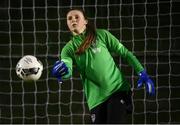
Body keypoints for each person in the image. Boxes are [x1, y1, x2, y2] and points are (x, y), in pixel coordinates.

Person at [52, 8, 155, 124]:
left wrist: (141, 72)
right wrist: (62, 73)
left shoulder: (101, 35)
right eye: (69, 18)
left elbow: (125, 53)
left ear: (85, 21)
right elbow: (67, 69)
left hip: (117, 90)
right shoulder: (68, 49)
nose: (73, 20)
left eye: (76, 17)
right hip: (95, 100)